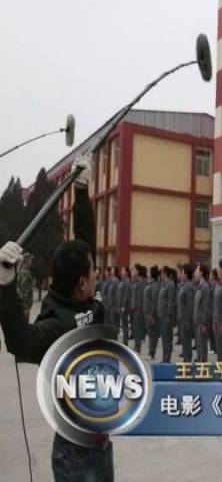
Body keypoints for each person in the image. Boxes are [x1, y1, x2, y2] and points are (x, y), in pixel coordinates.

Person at [0, 155, 118, 481]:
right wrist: (6, 288)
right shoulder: (56, 325)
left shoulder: (88, 303)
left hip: (101, 443)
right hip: (75, 456)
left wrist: (81, 192)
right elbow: (21, 344)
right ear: (82, 281)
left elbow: (84, 244)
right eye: (93, 271)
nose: (97, 274)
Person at [177, 264, 195, 362]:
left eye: (183, 273)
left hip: (186, 319)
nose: (181, 275)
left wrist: (188, 320)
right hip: (182, 318)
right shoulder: (183, 285)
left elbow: (189, 304)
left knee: (187, 341)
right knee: (184, 340)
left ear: (187, 274)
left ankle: (188, 360)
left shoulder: (188, 287)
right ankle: (186, 359)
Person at [193, 264, 211, 363]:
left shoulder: (205, 287)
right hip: (197, 322)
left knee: (202, 347)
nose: (195, 273)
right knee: (199, 347)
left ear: (201, 273)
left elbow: (205, 307)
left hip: (202, 323)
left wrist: (204, 323)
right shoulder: (199, 287)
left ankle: (203, 369)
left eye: (197, 271)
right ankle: (200, 365)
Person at [157, 266, 175, 363]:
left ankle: (167, 358)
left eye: (162, 273)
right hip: (162, 315)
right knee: (164, 337)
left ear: (165, 274)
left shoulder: (170, 284)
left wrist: (168, 315)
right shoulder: (163, 285)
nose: (161, 275)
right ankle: (165, 357)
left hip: (167, 316)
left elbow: (170, 301)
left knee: (167, 338)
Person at [143, 265, 161, 360]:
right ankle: (151, 352)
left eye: (150, 271)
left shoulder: (154, 285)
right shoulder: (150, 284)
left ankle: (152, 353)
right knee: (150, 335)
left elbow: (154, 301)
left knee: (153, 335)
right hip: (148, 313)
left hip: (152, 314)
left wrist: (151, 315)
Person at [131, 264, 147, 354]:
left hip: (139, 310)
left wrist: (140, 309)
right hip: (135, 309)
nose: (132, 272)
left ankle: (138, 347)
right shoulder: (136, 282)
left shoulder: (141, 282)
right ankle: (137, 346)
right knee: (135, 328)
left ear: (137, 271)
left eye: (133, 270)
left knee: (138, 329)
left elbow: (141, 297)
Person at [116, 266, 132, 346]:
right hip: (120, 305)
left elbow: (126, 295)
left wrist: (123, 306)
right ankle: (124, 341)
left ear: (127, 272)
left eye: (123, 270)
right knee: (123, 324)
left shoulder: (127, 281)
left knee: (125, 325)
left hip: (124, 307)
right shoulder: (122, 281)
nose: (122, 272)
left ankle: (125, 342)